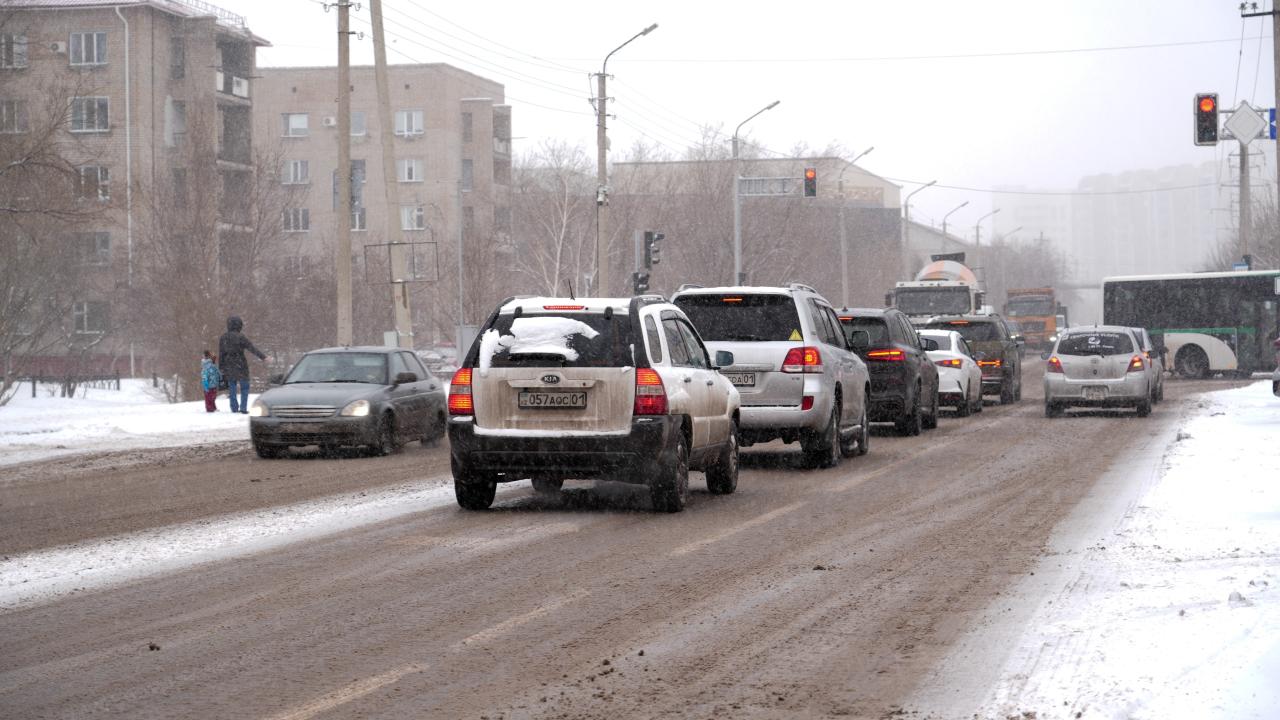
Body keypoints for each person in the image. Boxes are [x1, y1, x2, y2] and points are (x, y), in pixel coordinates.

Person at [217, 315, 266, 414]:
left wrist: (221, 368)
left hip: (228, 364)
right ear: (239, 325)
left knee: (232, 386)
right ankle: (243, 407)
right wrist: (263, 357)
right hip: (241, 363)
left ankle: (234, 408)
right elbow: (251, 348)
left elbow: (221, 353)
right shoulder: (241, 337)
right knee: (244, 386)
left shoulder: (223, 337)